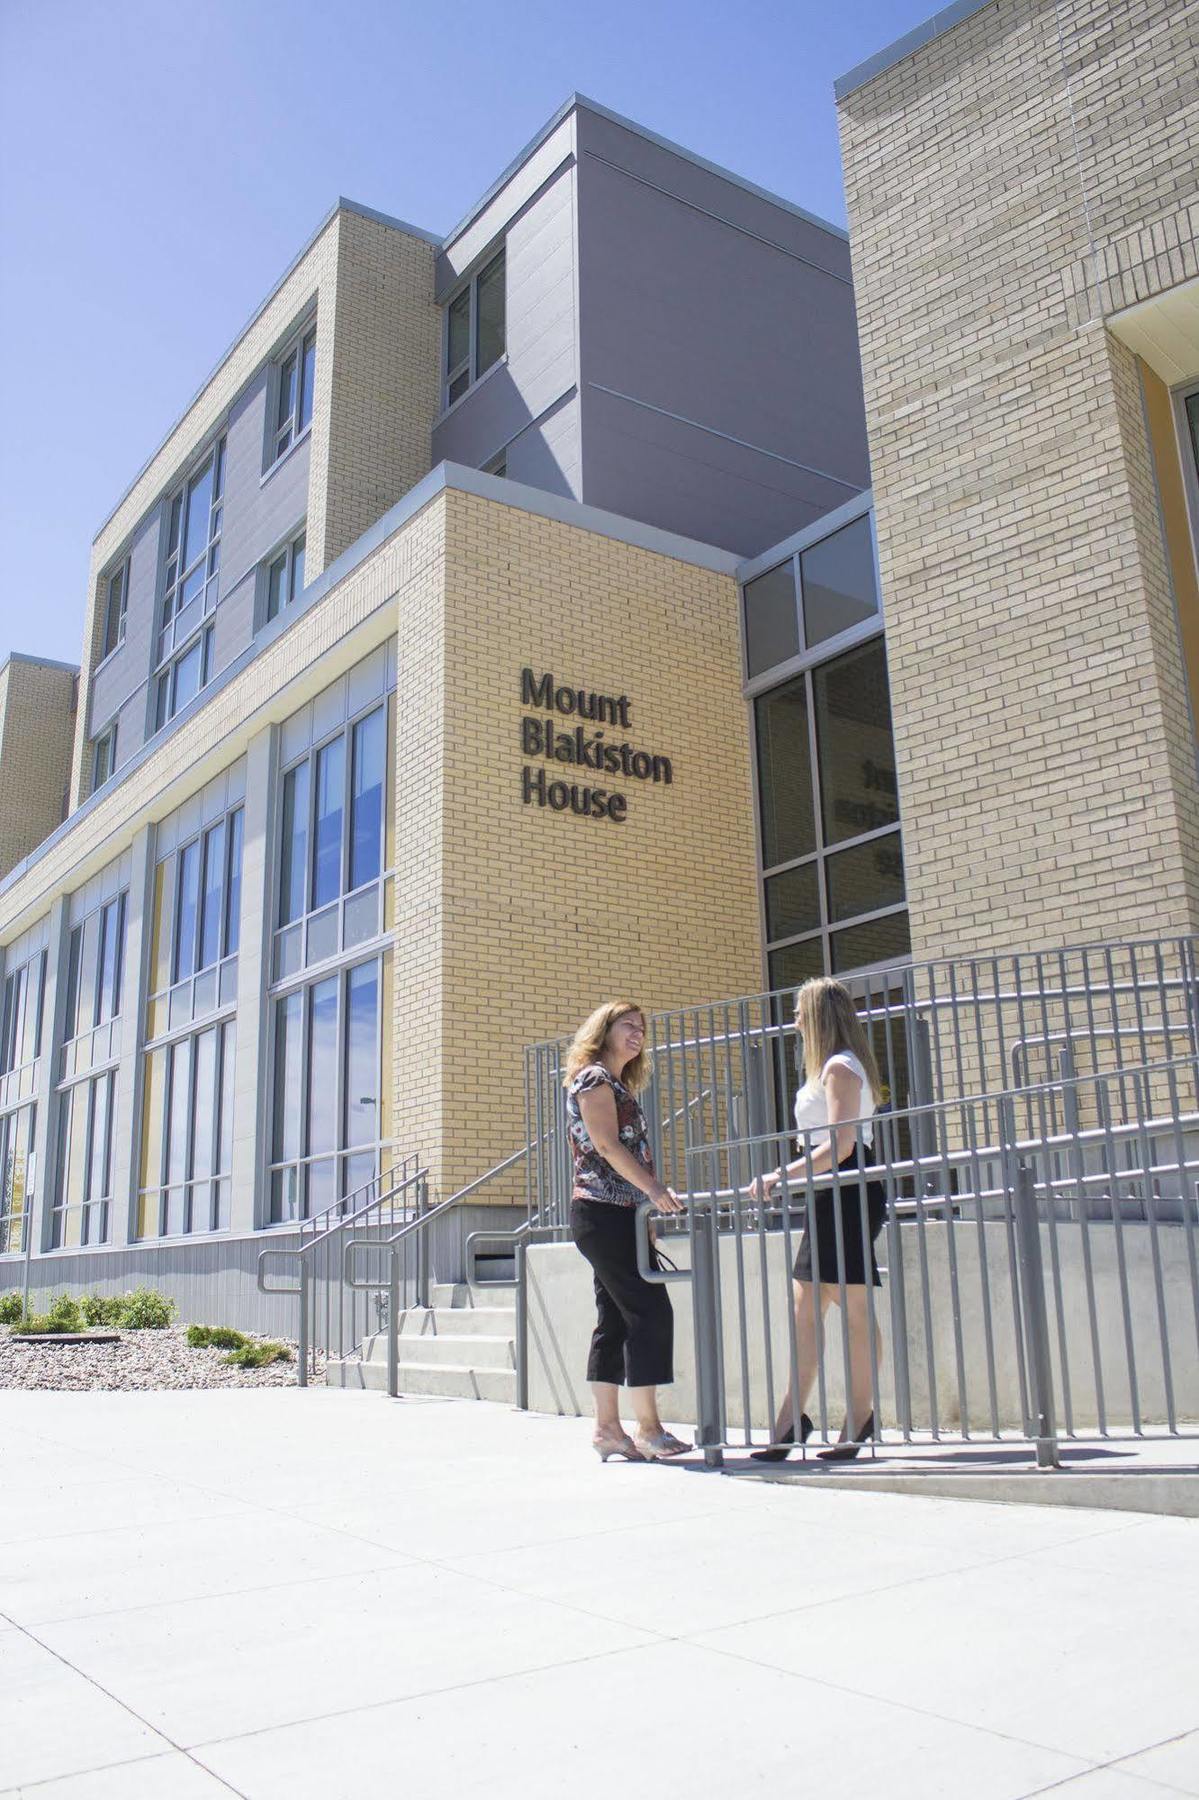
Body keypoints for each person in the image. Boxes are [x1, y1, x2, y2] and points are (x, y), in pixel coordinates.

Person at [745, 977, 886, 1462]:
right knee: (806, 1310)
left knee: (853, 1310)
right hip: (828, 1192)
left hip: (847, 1189)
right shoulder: (828, 1068)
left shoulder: (840, 1067)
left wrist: (780, 1174)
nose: (796, 1021)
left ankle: (859, 1418)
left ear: (820, 1015)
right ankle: (791, 1422)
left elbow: (843, 1145)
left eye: (801, 1011)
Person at [564, 1000, 690, 1462]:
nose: (637, 1034)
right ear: (604, 1030)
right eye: (627, 1026)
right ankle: (649, 1430)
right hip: (602, 1214)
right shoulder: (595, 1078)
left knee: (615, 1319)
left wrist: (646, 1216)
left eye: (642, 1028)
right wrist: (655, 1191)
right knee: (649, 1312)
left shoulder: (613, 1082)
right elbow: (605, 1144)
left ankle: (607, 1431)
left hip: (618, 1216)